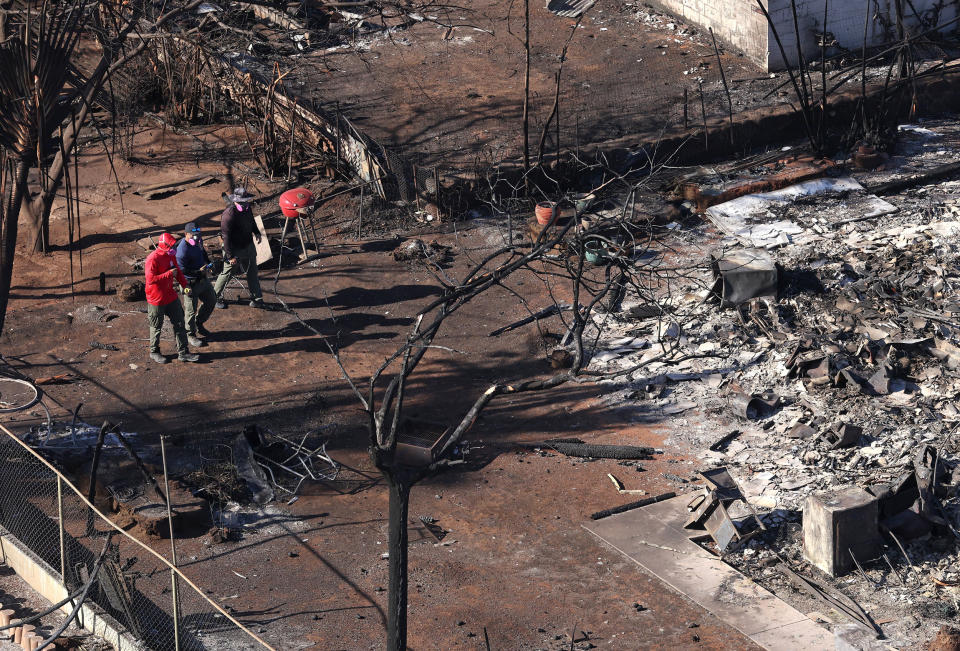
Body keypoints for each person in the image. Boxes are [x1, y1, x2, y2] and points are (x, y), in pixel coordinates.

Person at [145, 233, 200, 364]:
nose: (174, 248)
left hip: (170, 296)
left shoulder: (170, 255)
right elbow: (150, 279)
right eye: (172, 246)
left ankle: (183, 352)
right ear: (164, 246)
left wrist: (185, 285)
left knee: (180, 322)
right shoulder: (152, 259)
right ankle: (154, 351)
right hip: (156, 299)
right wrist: (167, 274)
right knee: (156, 326)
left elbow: (178, 272)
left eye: (174, 245)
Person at [213, 187, 265, 309]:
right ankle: (214, 297)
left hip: (248, 245)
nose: (246, 204)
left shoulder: (247, 209)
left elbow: (251, 221)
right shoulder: (228, 215)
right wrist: (230, 256)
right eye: (242, 202)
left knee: (252, 272)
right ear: (235, 201)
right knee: (227, 273)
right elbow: (226, 238)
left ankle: (257, 299)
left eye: (246, 201)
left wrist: (256, 232)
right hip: (233, 248)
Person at [176, 222, 216, 346]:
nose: (197, 238)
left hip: (202, 279)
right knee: (190, 310)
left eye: (198, 235)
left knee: (211, 300)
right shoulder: (181, 251)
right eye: (193, 235)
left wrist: (208, 263)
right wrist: (198, 271)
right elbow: (181, 271)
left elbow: (202, 251)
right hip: (190, 283)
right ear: (185, 234)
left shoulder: (198, 240)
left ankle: (199, 323)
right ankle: (190, 334)